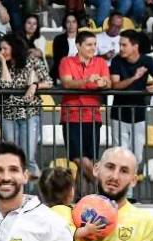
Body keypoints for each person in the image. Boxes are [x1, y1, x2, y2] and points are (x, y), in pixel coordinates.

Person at [108, 30, 153, 199]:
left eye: (124, 45)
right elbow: (115, 86)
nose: (121, 48)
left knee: (137, 156)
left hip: (138, 113)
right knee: (120, 155)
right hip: (119, 114)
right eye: (120, 44)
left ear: (135, 46)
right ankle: (126, 195)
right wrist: (135, 78)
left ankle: (128, 190)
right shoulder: (117, 60)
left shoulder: (147, 60)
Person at [0, 34, 51, 187]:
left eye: (5, 48)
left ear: (14, 48)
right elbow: (5, 85)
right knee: (12, 157)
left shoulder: (33, 61)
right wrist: (3, 63)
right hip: (8, 114)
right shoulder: (2, 65)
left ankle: (34, 195)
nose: (2, 52)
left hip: (29, 113)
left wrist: (34, 86)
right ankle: (16, 191)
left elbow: (49, 82)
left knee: (28, 158)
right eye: (0, 49)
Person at [58, 31, 111, 194]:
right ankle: (105, 189)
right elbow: (67, 83)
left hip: (93, 116)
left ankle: (84, 199)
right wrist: (87, 80)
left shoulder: (101, 62)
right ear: (78, 45)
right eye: (89, 44)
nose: (93, 48)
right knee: (78, 157)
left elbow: (108, 83)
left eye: (94, 44)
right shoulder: (66, 61)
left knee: (88, 160)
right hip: (72, 115)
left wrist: (103, 83)